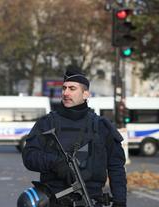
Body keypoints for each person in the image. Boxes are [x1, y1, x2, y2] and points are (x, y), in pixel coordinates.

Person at [22, 66, 127, 207]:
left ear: (85, 94)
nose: (66, 93)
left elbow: (116, 167)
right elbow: (29, 156)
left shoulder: (101, 126)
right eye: (64, 88)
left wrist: (120, 200)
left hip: (91, 200)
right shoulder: (46, 123)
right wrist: (55, 163)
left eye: (72, 89)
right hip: (54, 200)